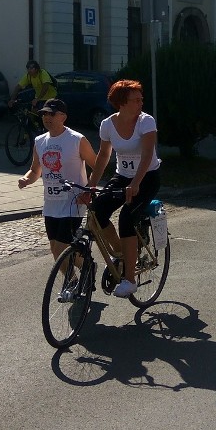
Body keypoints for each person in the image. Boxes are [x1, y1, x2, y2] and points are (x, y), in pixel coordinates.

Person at [81, 79, 161, 298]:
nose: (140, 102)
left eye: (141, 98)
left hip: (147, 177)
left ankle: (129, 279)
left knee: (126, 217)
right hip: (123, 175)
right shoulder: (107, 124)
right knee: (97, 210)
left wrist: (135, 184)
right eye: (136, 100)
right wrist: (90, 186)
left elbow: (146, 155)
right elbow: (104, 156)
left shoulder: (146, 122)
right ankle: (123, 252)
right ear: (121, 103)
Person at [17, 97, 97, 262]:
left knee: (61, 249)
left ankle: (80, 275)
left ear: (63, 117)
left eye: (51, 114)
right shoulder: (40, 141)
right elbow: (35, 170)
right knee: (55, 249)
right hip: (51, 204)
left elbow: (97, 165)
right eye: (44, 114)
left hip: (73, 203)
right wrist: (26, 179)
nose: (47, 118)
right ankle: (82, 271)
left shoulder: (77, 140)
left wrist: (89, 189)